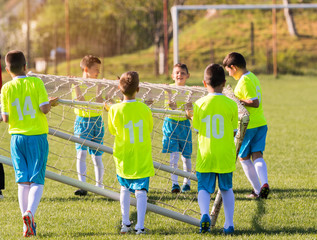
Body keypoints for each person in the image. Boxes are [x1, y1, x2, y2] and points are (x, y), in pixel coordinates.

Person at [1, 50, 58, 237]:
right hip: (36, 137)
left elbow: (5, 118)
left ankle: (26, 224)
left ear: (7, 70)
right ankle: (30, 213)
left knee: (22, 182)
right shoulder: (36, 82)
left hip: (17, 139)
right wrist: (51, 104)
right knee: (37, 180)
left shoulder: (6, 88)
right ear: (26, 67)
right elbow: (44, 108)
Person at [187, 63, 238, 234]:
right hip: (225, 153)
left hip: (206, 152)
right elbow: (233, 131)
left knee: (203, 187)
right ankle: (229, 224)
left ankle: (204, 214)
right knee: (226, 188)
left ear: (204, 83)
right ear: (224, 83)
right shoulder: (231, 104)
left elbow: (197, 129)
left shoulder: (199, 104)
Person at [108, 71, 155, 235]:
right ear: (138, 89)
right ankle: (140, 227)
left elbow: (113, 131)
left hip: (123, 155)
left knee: (124, 188)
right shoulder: (144, 109)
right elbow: (149, 128)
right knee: (141, 190)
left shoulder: (114, 109)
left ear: (119, 88)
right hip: (141, 154)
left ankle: (125, 224)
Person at [223, 52, 269, 199]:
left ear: (234, 67)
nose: (229, 74)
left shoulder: (245, 80)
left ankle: (257, 190)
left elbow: (254, 102)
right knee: (257, 155)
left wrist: (236, 100)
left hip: (249, 125)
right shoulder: (252, 76)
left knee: (243, 158)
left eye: (228, 71)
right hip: (260, 123)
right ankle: (264, 184)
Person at [72, 55, 105, 196]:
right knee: (82, 153)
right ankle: (83, 186)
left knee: (97, 156)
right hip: (82, 122)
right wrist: (76, 85)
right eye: (96, 69)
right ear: (86, 69)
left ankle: (99, 186)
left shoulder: (98, 83)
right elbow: (80, 101)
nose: (98, 72)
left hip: (97, 122)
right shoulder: (77, 83)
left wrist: (99, 87)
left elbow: (99, 101)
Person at [162, 63, 192, 193]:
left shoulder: (190, 91)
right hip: (170, 125)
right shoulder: (168, 90)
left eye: (182, 73)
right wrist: (169, 95)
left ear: (187, 76)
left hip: (184, 126)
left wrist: (188, 109)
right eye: (177, 73)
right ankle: (175, 184)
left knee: (186, 156)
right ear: (172, 75)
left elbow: (189, 110)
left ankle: (187, 182)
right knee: (173, 156)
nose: (180, 75)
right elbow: (170, 107)